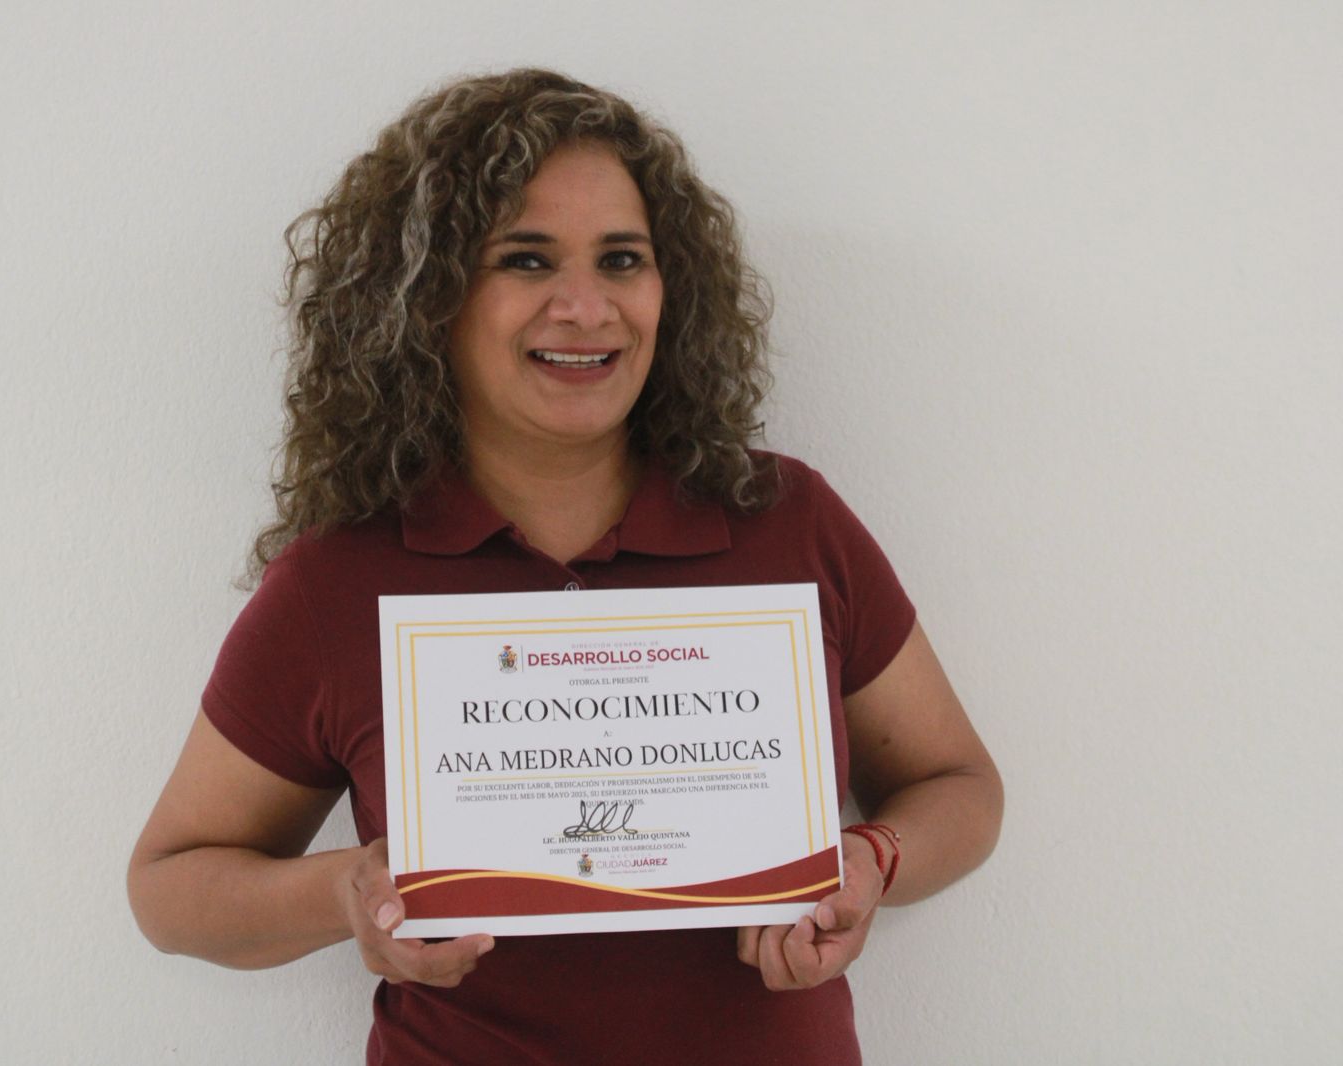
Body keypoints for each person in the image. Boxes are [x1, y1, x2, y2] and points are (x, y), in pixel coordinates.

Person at [127, 68, 1002, 1065]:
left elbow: (959, 784)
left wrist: (871, 860)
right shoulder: (341, 580)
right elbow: (169, 889)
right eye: (527, 260)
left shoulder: (787, 523)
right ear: (428, 298)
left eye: (622, 259)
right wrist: (346, 894)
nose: (586, 307)